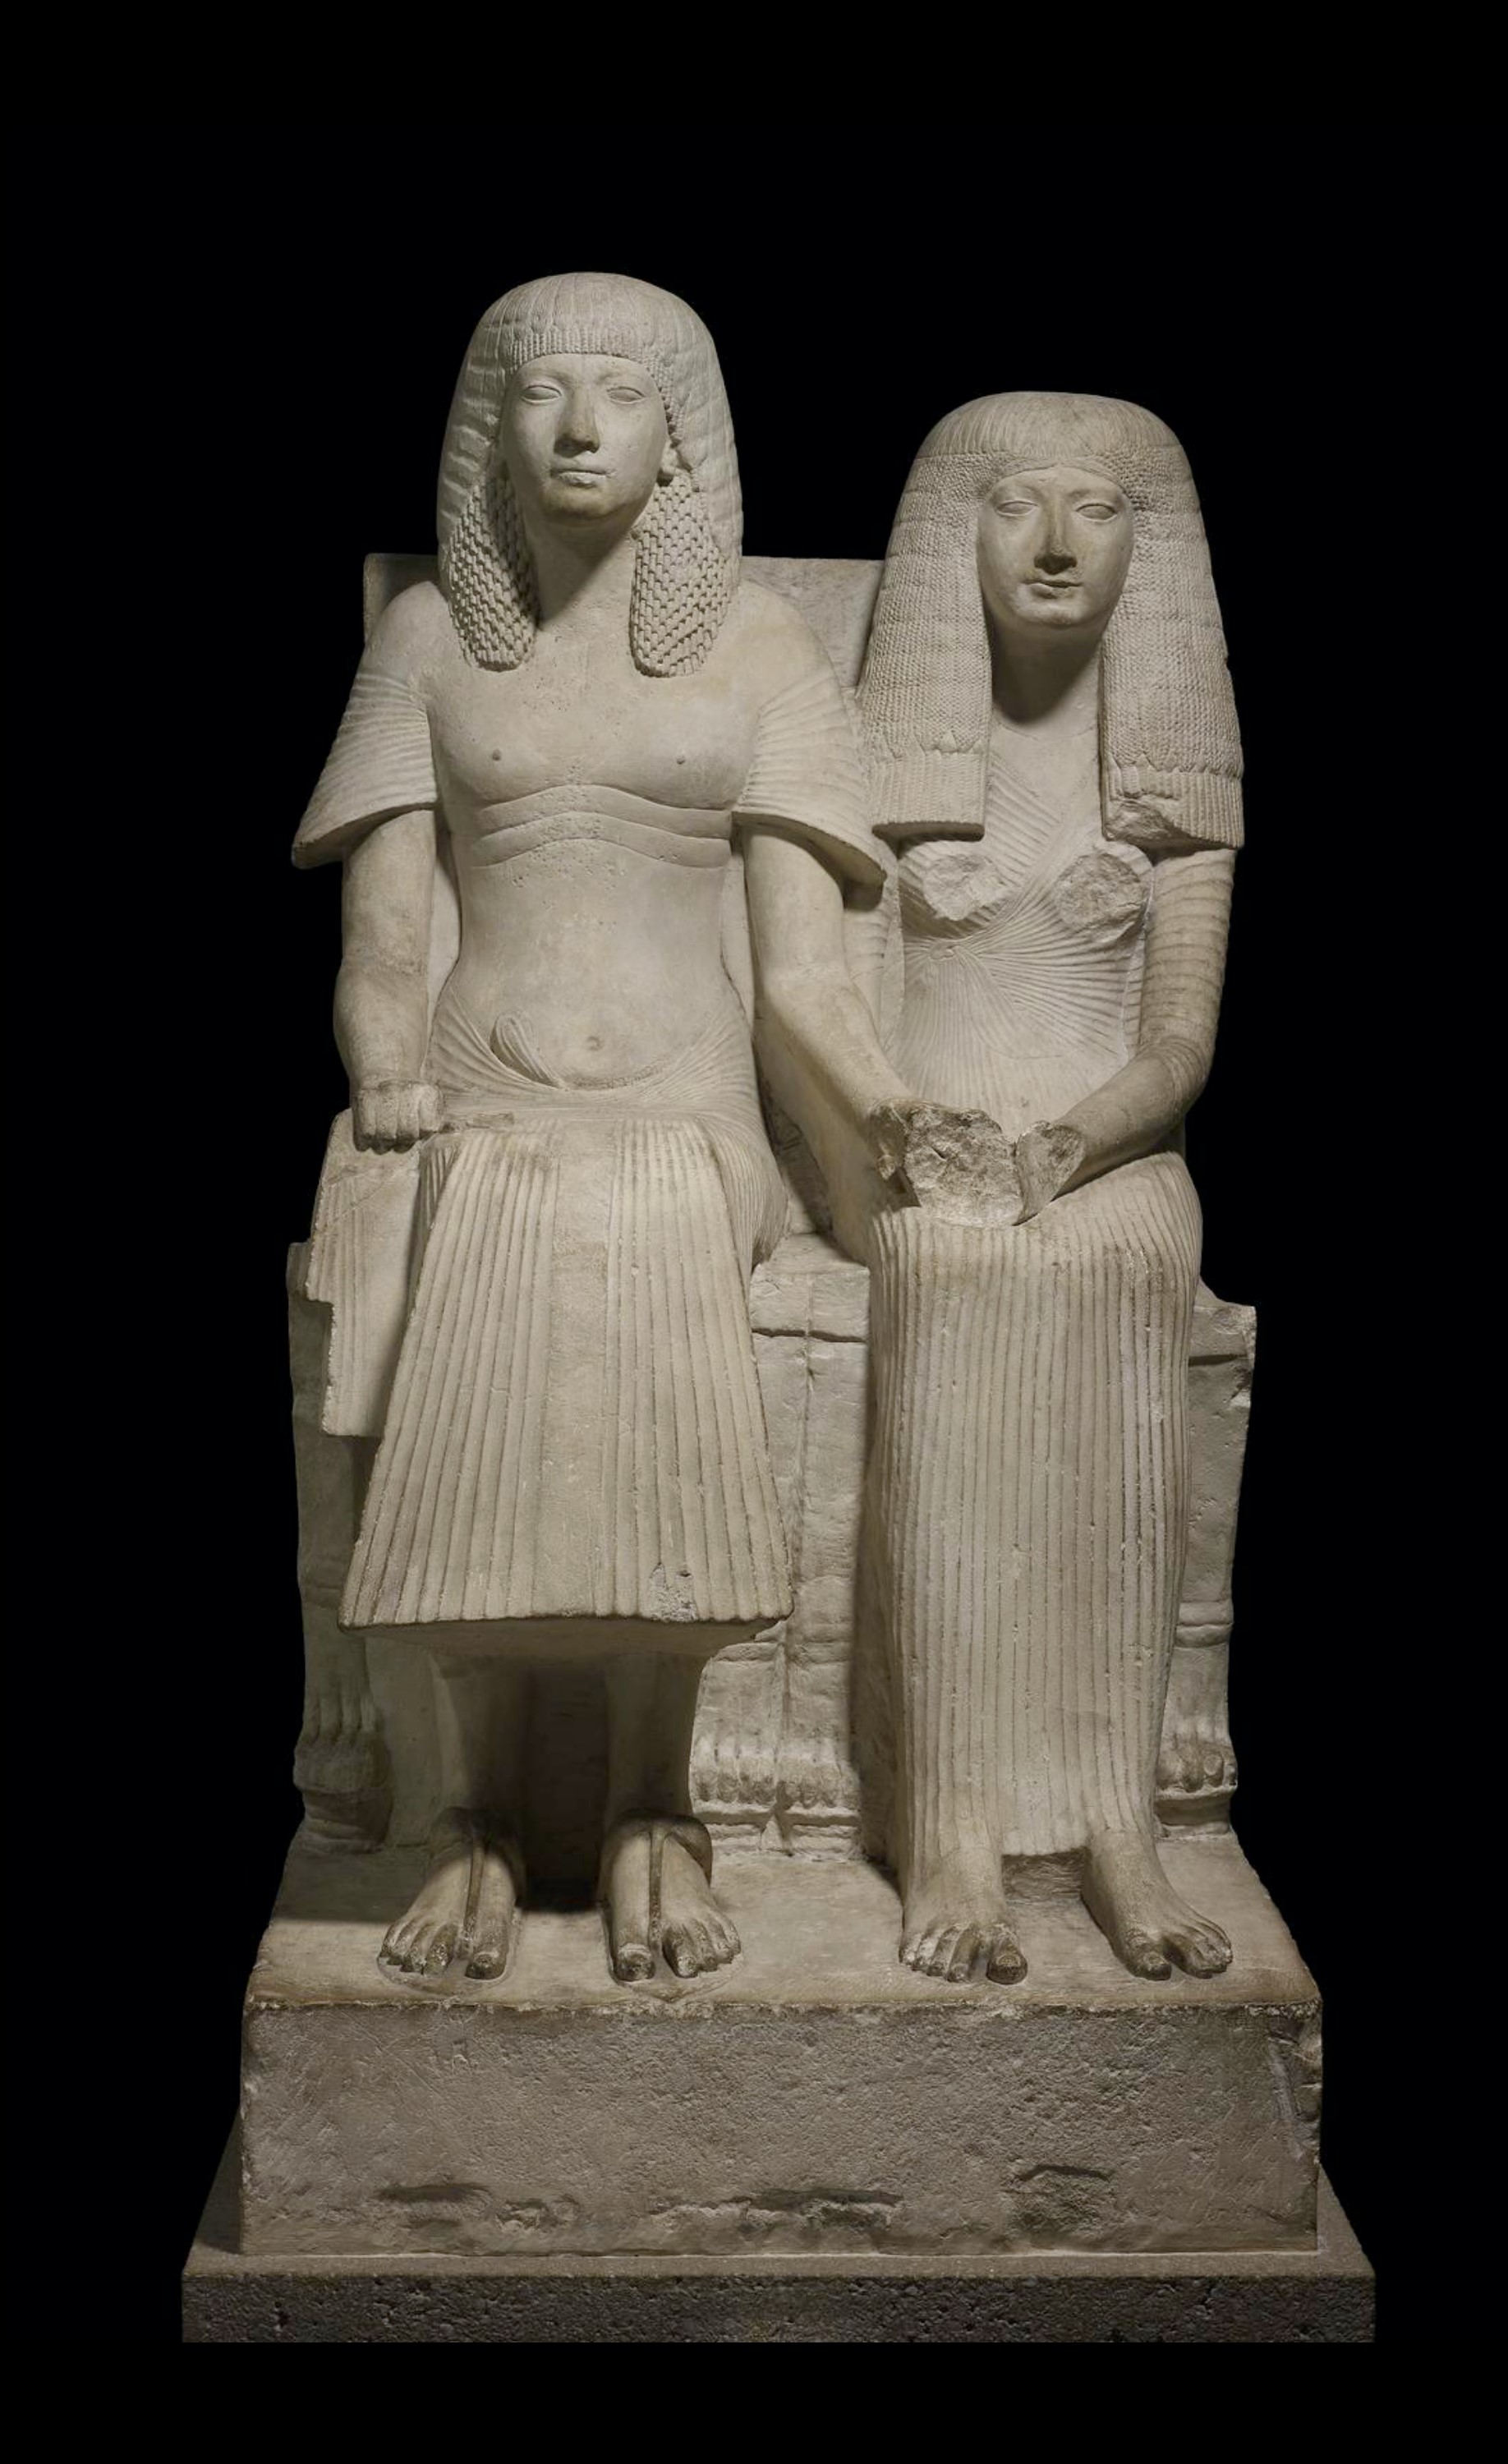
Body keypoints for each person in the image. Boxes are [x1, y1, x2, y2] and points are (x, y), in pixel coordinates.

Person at [293, 273, 920, 1985]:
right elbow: (385, 950)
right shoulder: (429, 644)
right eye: (541, 393)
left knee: (633, 1208)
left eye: (622, 396)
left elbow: (805, 978)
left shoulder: (760, 648)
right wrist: (386, 1074)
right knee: (498, 1202)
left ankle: (657, 1801)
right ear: (484, 432)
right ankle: (478, 1815)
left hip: (684, 1112)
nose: (579, 430)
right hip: (482, 1097)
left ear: (682, 439)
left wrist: (888, 1117)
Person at [854, 393, 1244, 1983]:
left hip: (1110, 1153)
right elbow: (849, 1011)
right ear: (957, 538)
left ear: (1155, 553)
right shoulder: (888, 777)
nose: (1061, 544)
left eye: (1101, 509)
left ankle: (1112, 1825)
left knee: (1125, 1261)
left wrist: (1081, 1142)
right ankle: (950, 1823)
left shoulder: (1174, 805)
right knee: (950, 1269)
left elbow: (1182, 1043)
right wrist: (911, 1134)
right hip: (927, 1154)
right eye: (1018, 504)